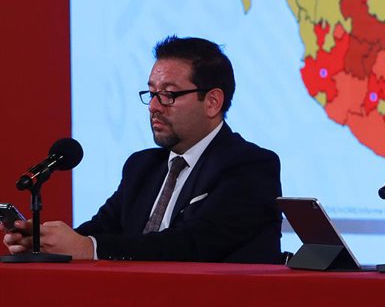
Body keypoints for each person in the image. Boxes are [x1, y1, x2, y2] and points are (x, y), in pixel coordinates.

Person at [3, 36, 282, 262]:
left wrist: (88, 248)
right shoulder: (142, 166)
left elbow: (191, 245)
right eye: (152, 93)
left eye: (168, 94)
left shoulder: (251, 167)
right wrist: (46, 244)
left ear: (212, 102)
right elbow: (99, 231)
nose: (154, 106)